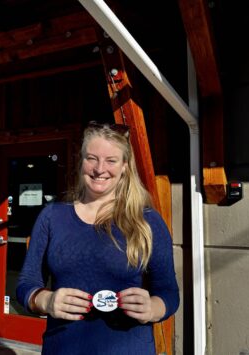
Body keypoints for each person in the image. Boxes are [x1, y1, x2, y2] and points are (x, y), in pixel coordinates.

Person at [16, 121, 179, 354]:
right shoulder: (53, 216)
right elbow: (26, 284)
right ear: (81, 161)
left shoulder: (147, 221)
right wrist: (46, 301)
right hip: (62, 347)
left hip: (128, 348)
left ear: (125, 166)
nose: (100, 168)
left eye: (111, 160)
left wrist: (153, 308)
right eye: (91, 158)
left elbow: (169, 292)